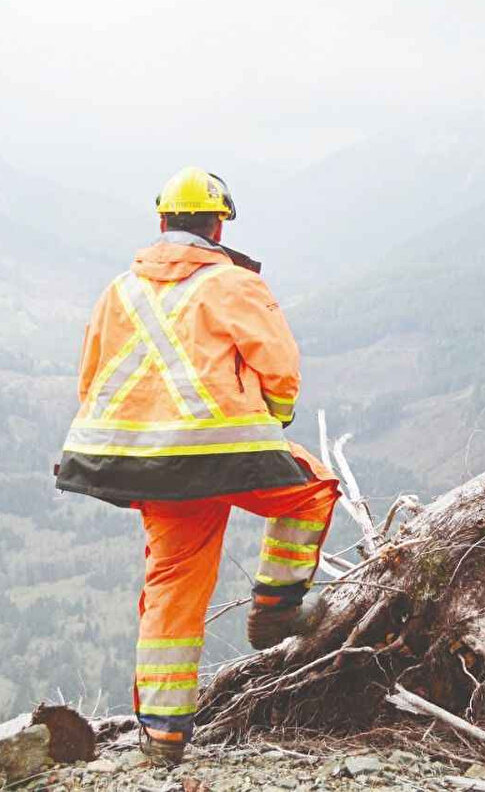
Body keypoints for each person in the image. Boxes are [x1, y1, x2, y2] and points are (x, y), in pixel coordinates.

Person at [54, 167, 339, 765]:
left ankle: (161, 737)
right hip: (225, 456)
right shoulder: (233, 285)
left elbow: (90, 378)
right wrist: (272, 423)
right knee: (311, 489)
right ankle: (276, 608)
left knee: (174, 584)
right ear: (218, 224)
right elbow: (281, 369)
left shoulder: (118, 291)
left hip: (146, 468)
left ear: (161, 222)